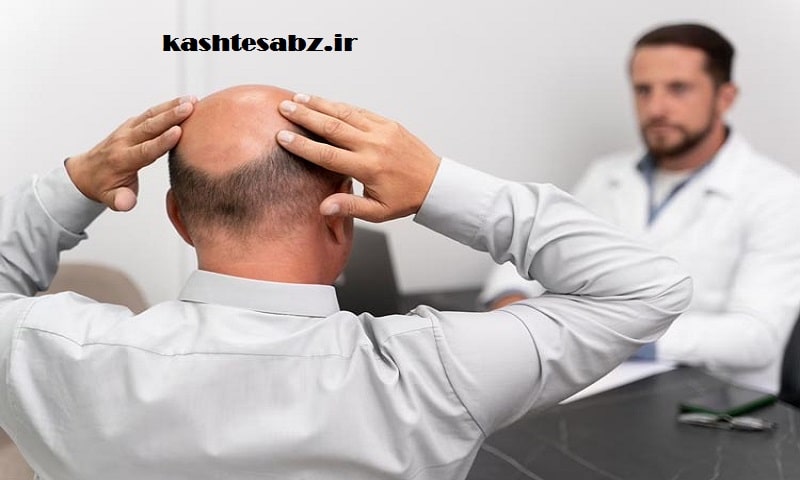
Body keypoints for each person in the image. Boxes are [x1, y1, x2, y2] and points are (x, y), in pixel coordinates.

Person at [0, 84, 691, 479]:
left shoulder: (47, 351)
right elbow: (647, 288)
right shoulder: (436, 372)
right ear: (345, 219)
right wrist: (435, 183)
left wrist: (74, 185)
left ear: (178, 218)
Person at [481, 23, 800, 394]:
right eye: (643, 90)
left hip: (718, 399)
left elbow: (756, 336)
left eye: (678, 89)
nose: (656, 108)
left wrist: (602, 334)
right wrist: (511, 303)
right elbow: (536, 248)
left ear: (725, 97)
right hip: (605, 381)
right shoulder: (607, 175)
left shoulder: (778, 194)